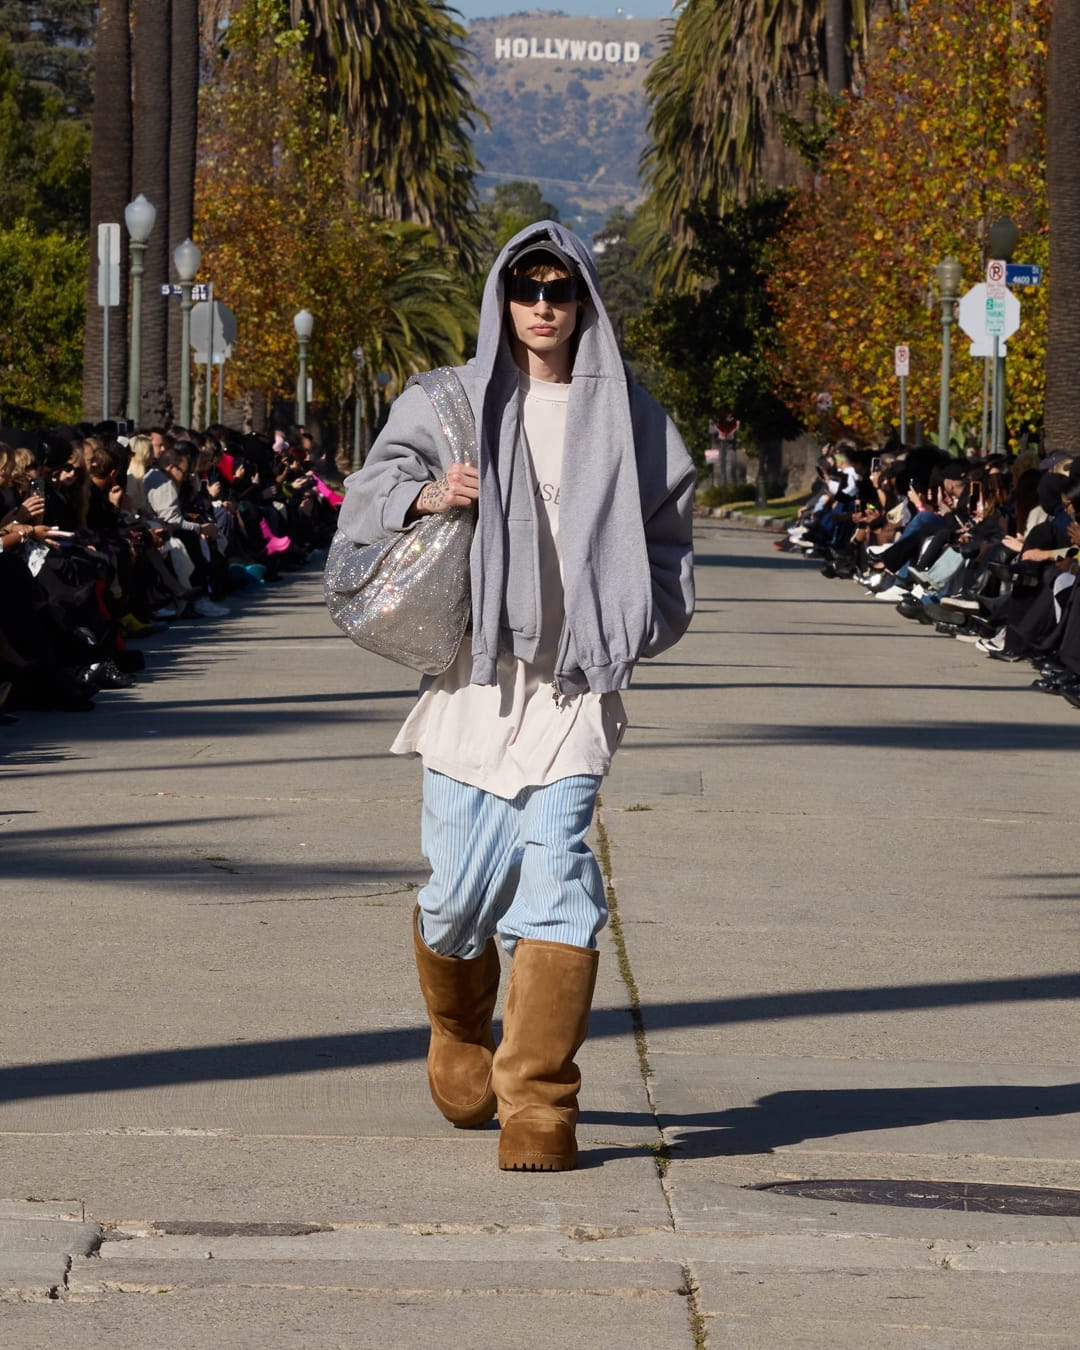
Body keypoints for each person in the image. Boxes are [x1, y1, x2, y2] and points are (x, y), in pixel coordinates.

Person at [337, 221, 695, 1172]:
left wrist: (635, 617)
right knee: (457, 896)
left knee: (560, 878)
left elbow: (669, 540)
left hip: (574, 687)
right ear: (503, 298)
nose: (543, 304)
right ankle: (458, 1033)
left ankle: (539, 1103)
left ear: (584, 301)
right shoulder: (447, 401)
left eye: (561, 287)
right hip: (475, 680)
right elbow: (366, 491)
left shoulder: (632, 417)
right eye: (526, 287)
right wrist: (428, 495)